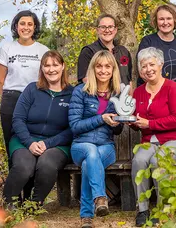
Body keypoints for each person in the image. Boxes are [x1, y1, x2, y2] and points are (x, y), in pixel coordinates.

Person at [131, 47, 176, 227]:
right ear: (140, 70)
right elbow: (137, 118)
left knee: (159, 161)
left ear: (160, 65)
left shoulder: (173, 88)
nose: (148, 69)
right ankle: (142, 209)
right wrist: (132, 121)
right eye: (143, 66)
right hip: (150, 141)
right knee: (139, 160)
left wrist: (149, 124)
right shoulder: (138, 92)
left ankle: (162, 209)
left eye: (151, 64)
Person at [3, 50, 73, 205]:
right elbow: (18, 119)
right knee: (23, 166)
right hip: (24, 139)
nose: (51, 69)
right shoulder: (32, 89)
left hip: (57, 143)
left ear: (63, 67)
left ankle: (34, 205)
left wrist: (47, 144)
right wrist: (29, 143)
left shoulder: (73, 93)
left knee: (47, 164)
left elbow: (72, 128)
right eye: (46, 65)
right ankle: (8, 205)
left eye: (55, 64)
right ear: (41, 69)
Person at [69, 50, 123, 228]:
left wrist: (118, 122)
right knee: (90, 152)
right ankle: (100, 198)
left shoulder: (117, 94)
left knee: (88, 163)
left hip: (106, 147)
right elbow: (75, 125)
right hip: (80, 146)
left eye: (108, 66)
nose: (103, 70)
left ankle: (86, 216)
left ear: (113, 69)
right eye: (99, 66)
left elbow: (118, 130)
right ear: (93, 68)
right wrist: (101, 118)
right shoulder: (80, 92)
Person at [0, 10, 49, 160]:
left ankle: (33, 179)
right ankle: (15, 176)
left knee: (33, 140)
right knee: (11, 141)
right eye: (22, 24)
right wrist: (5, 97)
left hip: (36, 98)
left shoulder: (43, 50)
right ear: (16, 26)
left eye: (30, 24)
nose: (26, 27)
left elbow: (47, 76)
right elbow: (0, 80)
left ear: (35, 27)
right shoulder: (7, 48)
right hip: (11, 99)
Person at [137, 4, 176, 87]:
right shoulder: (147, 41)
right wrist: (162, 91)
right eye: (161, 19)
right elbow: (143, 70)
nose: (165, 22)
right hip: (152, 91)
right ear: (156, 21)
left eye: (169, 18)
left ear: (174, 20)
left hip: (174, 91)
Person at [77, 13, 132, 88]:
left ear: (115, 30)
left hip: (123, 97)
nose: (107, 30)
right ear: (97, 30)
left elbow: (129, 81)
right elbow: (85, 80)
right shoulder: (88, 51)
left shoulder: (124, 51)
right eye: (103, 27)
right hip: (99, 98)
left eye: (110, 27)